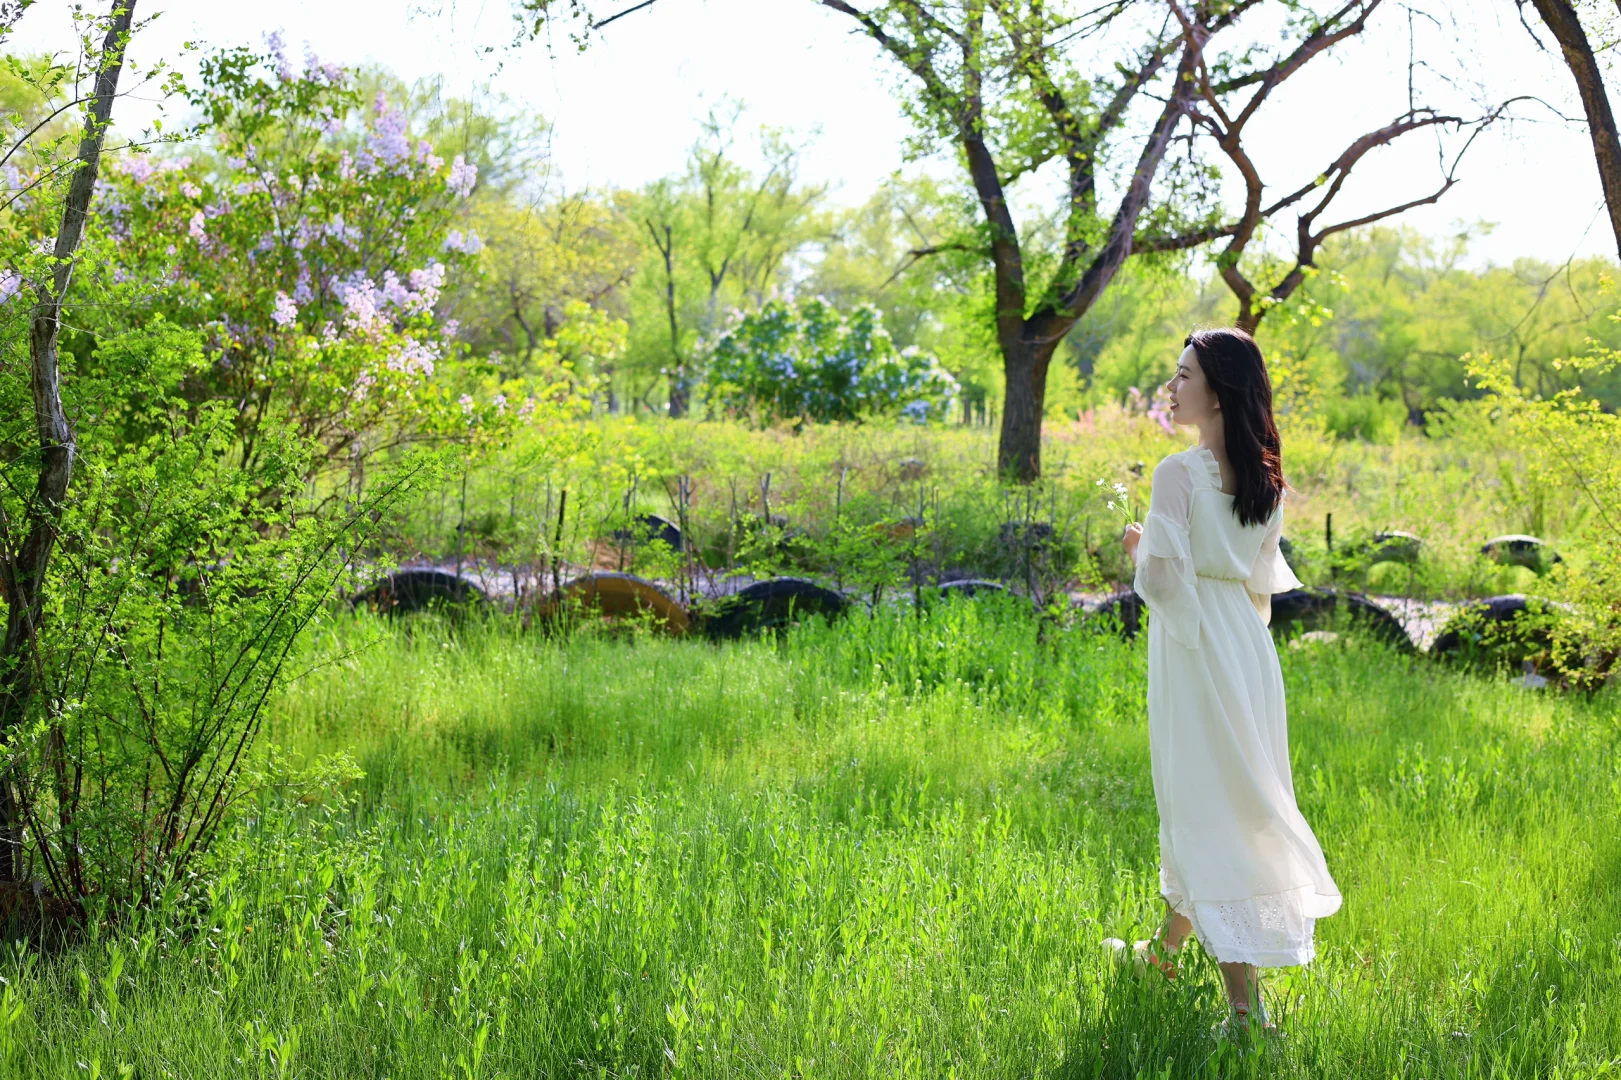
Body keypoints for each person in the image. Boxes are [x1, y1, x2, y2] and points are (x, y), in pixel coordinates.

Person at [1118, 327, 1341, 1033]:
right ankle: (1161, 952)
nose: (1171, 388)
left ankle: (1245, 1012)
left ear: (1216, 392)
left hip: (1194, 648)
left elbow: (1163, 578)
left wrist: (1139, 546)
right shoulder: (1267, 478)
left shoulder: (1176, 472)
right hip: (1245, 648)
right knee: (1225, 797)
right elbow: (1257, 586)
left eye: (1183, 375)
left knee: (1207, 806)